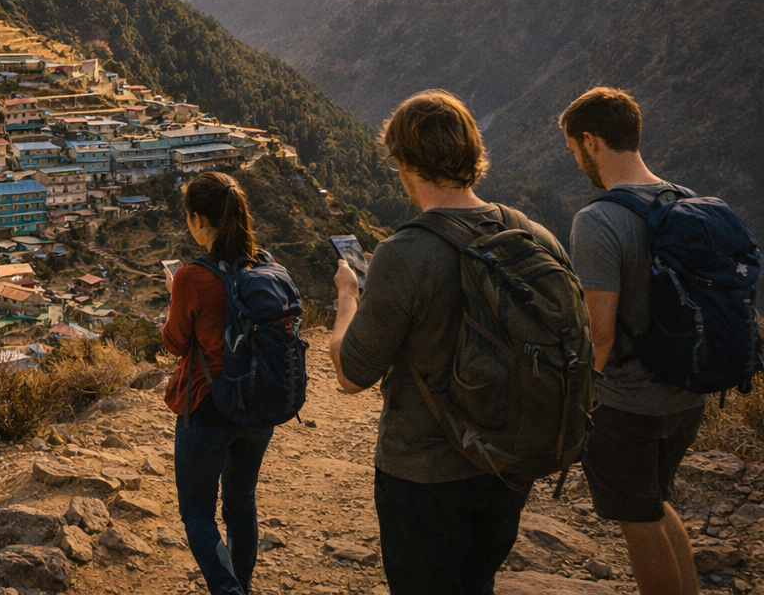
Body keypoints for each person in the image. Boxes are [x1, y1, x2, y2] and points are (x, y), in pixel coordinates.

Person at [328, 90, 571, 594]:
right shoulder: (535, 235)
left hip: (423, 472)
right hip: (509, 459)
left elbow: (351, 375)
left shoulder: (404, 253)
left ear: (404, 161)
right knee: (477, 580)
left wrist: (348, 298)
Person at [561, 87, 703, 595]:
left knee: (637, 522)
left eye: (576, 150)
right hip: (687, 393)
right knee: (657, 504)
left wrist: (579, 399)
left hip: (626, 404)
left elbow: (599, 333)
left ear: (592, 141)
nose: (577, 160)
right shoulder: (685, 201)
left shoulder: (598, 220)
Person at [162, 172, 275, 595]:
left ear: (196, 219)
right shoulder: (265, 265)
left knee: (196, 511)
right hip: (259, 403)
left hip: (207, 405)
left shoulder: (191, 277)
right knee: (241, 502)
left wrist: (173, 297)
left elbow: (175, 343)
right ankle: (240, 585)